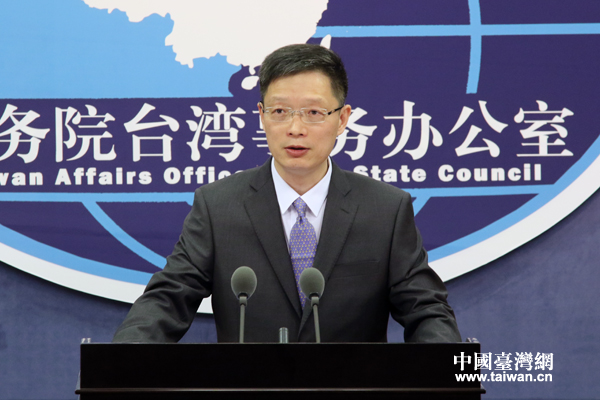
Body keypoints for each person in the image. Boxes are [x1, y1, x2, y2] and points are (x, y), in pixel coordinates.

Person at [113, 44, 461, 343]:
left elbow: (426, 309)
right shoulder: (218, 206)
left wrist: (449, 370)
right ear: (262, 116)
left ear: (342, 119)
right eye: (280, 112)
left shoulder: (385, 209)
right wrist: (119, 362)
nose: (295, 128)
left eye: (313, 113)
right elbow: (167, 299)